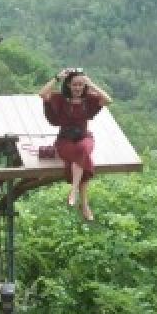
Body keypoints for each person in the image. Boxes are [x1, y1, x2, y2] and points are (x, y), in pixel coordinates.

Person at [37, 67, 113, 221]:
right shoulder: (60, 99)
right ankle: (84, 204)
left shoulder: (88, 100)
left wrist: (90, 83)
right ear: (69, 85)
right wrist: (57, 77)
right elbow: (42, 94)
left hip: (84, 138)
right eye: (74, 84)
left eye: (80, 84)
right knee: (84, 158)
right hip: (65, 140)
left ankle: (73, 191)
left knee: (83, 149)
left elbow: (108, 100)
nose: (78, 88)